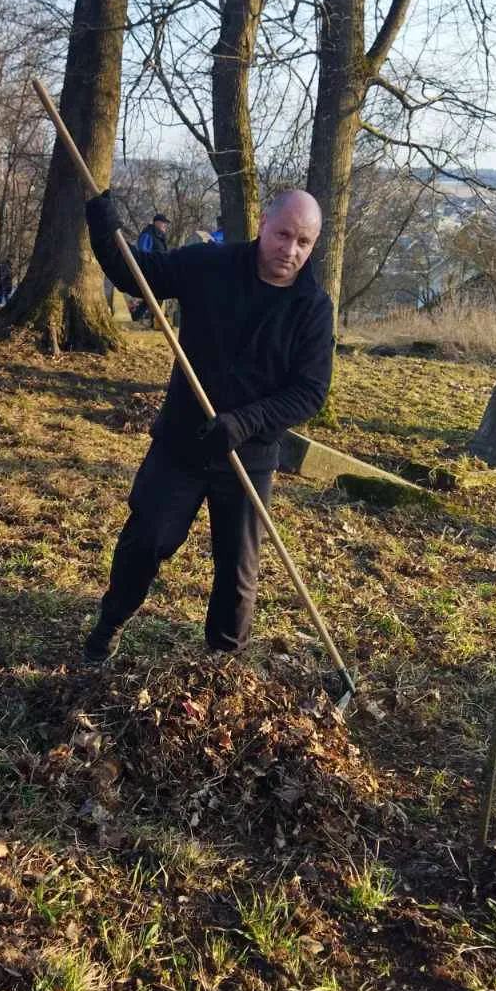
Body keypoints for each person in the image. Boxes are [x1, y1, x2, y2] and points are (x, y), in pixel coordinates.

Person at [82, 188, 334, 663]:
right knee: (147, 538)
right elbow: (137, 274)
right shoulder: (211, 266)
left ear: (313, 244)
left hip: (249, 456)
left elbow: (310, 392)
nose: (290, 250)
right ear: (263, 224)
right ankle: (109, 625)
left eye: (303, 242)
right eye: (283, 235)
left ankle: (223, 665)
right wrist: (103, 224)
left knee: (238, 572)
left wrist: (245, 422)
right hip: (182, 442)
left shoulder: (313, 308)